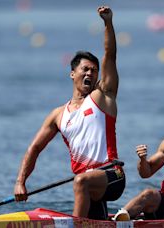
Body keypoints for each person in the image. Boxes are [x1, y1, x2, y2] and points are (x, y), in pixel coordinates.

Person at [14, 6, 125, 220]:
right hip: (88, 183)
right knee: (92, 211)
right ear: (72, 74)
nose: (91, 73)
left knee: (80, 182)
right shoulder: (58, 115)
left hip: (112, 175)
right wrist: (21, 182)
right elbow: (35, 148)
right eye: (85, 69)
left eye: (94, 71)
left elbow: (110, 56)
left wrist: (108, 23)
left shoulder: (104, 97)